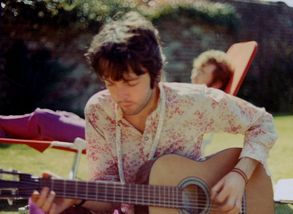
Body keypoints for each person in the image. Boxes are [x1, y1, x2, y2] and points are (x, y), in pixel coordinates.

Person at [31, 11, 277, 214]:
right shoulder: (99, 111)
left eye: (130, 82)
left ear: (156, 74)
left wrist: (238, 175)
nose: (120, 95)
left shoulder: (194, 102)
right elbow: (108, 196)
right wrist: (76, 198)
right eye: (110, 83)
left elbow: (263, 123)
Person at [0, 108, 85, 142]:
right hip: (90, 128)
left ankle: (4, 126)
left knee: (43, 119)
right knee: (61, 116)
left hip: (91, 133)